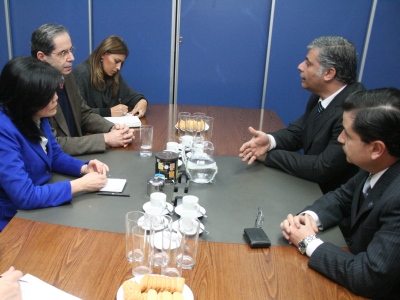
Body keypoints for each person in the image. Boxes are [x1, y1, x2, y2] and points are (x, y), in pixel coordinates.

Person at [280, 88, 400, 299]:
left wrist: (308, 242)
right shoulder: (378, 164)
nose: (341, 139)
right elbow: (343, 197)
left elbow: (369, 277)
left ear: (376, 149)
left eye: (348, 134)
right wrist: (307, 219)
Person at [239, 36, 365, 193]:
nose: (300, 66)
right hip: (307, 186)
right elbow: (299, 132)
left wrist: (269, 156)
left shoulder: (353, 111)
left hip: (329, 198)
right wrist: (269, 141)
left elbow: (322, 167)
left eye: (308, 63)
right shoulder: (320, 96)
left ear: (329, 73)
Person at [0, 56, 109, 231]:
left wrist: (83, 168)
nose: (55, 98)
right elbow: (25, 196)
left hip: (43, 203)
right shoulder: (3, 131)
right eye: (48, 95)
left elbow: (54, 155)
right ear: (27, 99)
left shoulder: (36, 114)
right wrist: (80, 185)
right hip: (13, 219)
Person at [31, 24, 134, 156]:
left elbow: (84, 114)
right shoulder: (33, 90)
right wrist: (106, 139)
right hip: (56, 163)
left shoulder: (66, 77)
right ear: (41, 57)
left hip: (79, 157)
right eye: (63, 53)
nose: (71, 58)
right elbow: (52, 144)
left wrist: (112, 128)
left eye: (70, 50)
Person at [72, 35, 148, 117]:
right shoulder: (81, 73)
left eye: (121, 63)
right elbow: (77, 112)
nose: (118, 67)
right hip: (88, 129)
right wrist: (108, 112)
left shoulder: (113, 75)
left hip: (109, 128)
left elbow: (132, 96)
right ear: (103, 54)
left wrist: (142, 102)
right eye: (116, 61)